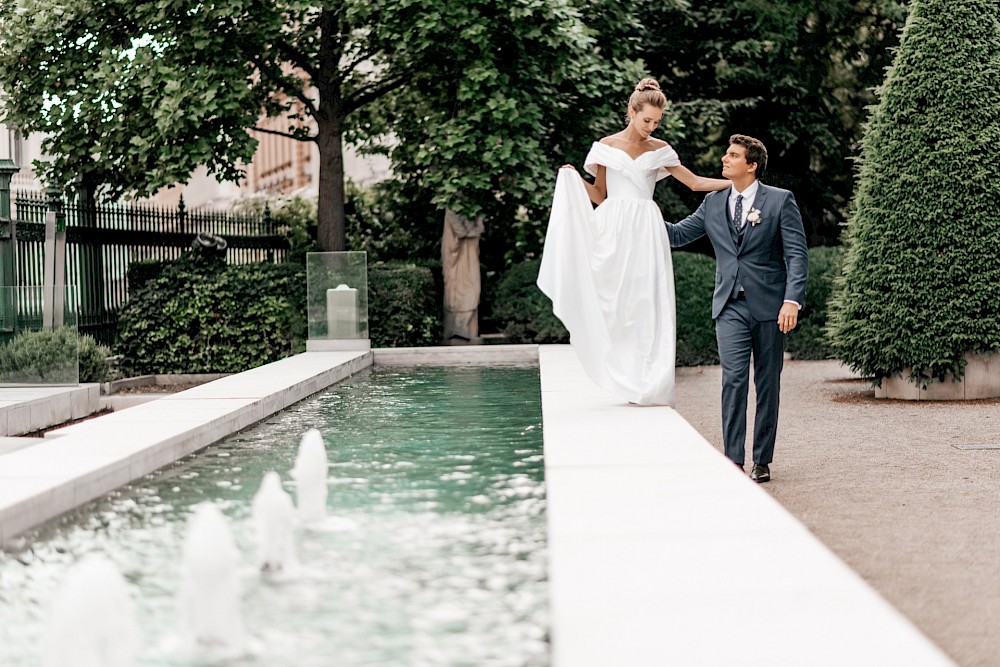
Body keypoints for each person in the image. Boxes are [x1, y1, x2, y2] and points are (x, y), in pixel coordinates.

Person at [537, 78, 730, 406]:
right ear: (631, 112)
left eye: (657, 121)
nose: (651, 127)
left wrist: (735, 182)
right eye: (647, 121)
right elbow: (599, 194)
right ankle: (620, 374)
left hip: (645, 228)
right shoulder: (606, 147)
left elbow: (695, 183)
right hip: (612, 226)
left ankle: (648, 381)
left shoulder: (660, 150)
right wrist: (573, 178)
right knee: (615, 301)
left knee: (646, 301)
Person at [664, 134, 808, 482]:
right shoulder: (713, 203)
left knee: (768, 382)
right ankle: (732, 460)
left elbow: (796, 255)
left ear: (752, 165)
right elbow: (678, 235)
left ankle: (762, 459)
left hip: (771, 307)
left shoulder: (779, 201)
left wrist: (792, 300)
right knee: (733, 380)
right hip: (729, 305)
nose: (725, 159)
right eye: (726, 154)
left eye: (733, 155)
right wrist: (632, 211)